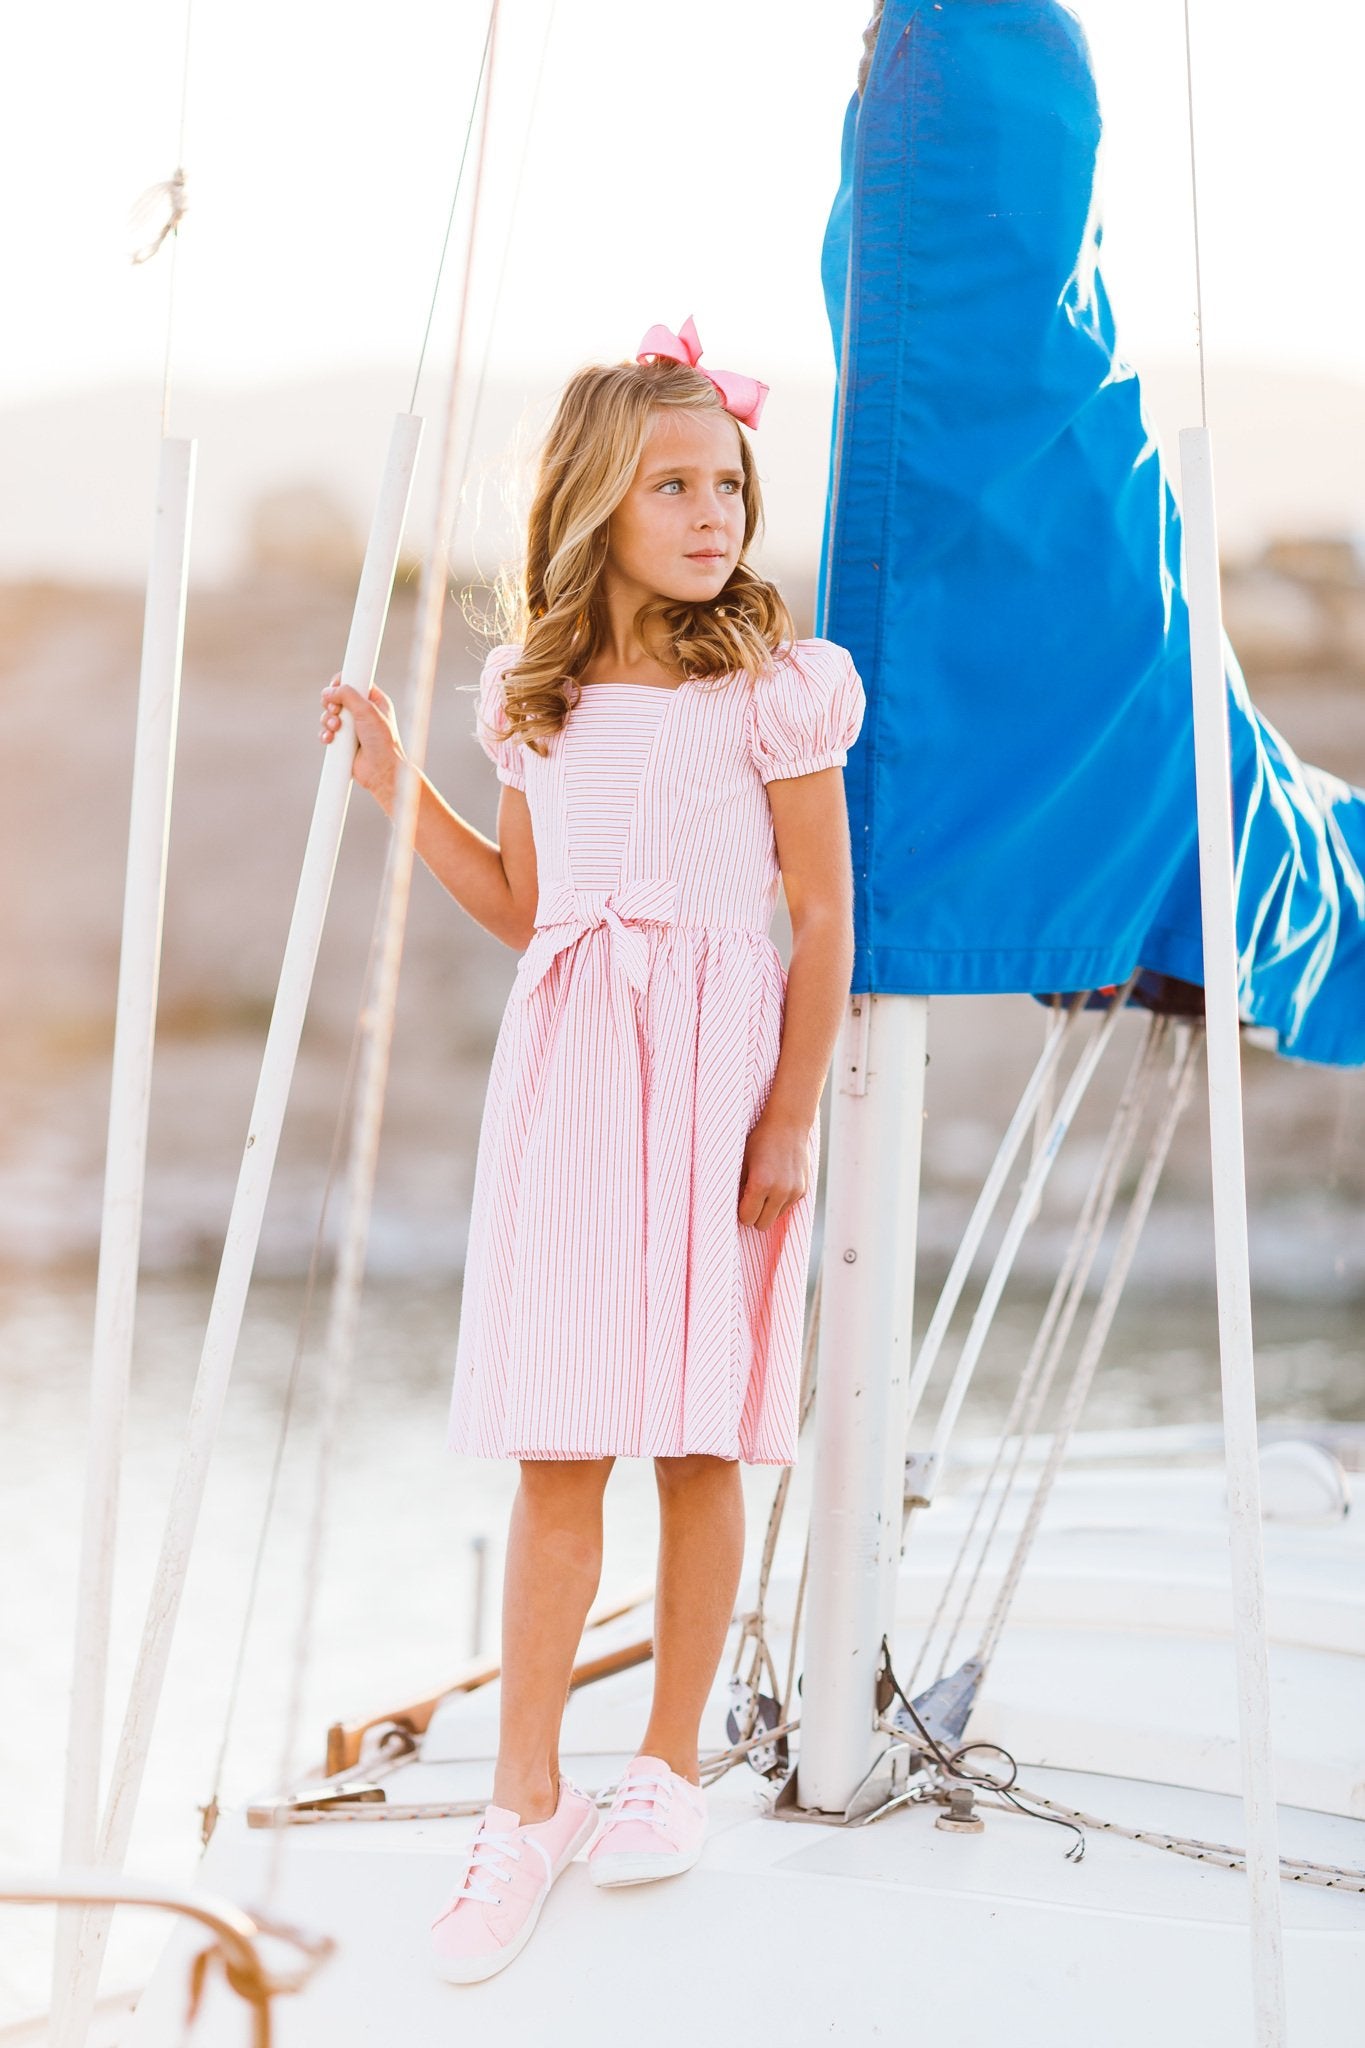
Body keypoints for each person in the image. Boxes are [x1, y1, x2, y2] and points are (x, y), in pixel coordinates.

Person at [319, 317, 865, 1984]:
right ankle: (522, 1799)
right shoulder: (530, 692)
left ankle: (665, 1765)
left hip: (717, 1073)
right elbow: (525, 910)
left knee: (699, 1438)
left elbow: (824, 909)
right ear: (594, 505)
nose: (714, 514)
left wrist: (788, 1113)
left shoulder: (775, 687)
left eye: (731, 484)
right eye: (675, 486)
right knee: (561, 1446)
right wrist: (404, 790)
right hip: (569, 1072)